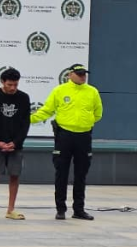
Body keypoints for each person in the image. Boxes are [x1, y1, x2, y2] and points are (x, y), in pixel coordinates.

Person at [31, 63, 103, 220]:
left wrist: (85, 122)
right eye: (79, 73)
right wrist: (28, 119)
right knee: (61, 173)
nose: (83, 76)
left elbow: (98, 114)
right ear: (70, 75)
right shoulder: (60, 91)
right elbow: (47, 110)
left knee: (81, 174)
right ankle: (60, 209)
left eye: (84, 73)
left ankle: (79, 209)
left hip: (84, 136)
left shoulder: (92, 92)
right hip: (64, 136)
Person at [0, 68, 31, 220]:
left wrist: (16, 143)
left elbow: (25, 123)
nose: (13, 88)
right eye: (10, 84)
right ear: (2, 82)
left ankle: (11, 209)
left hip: (15, 144)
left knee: (15, 175)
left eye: (15, 85)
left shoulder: (23, 98)